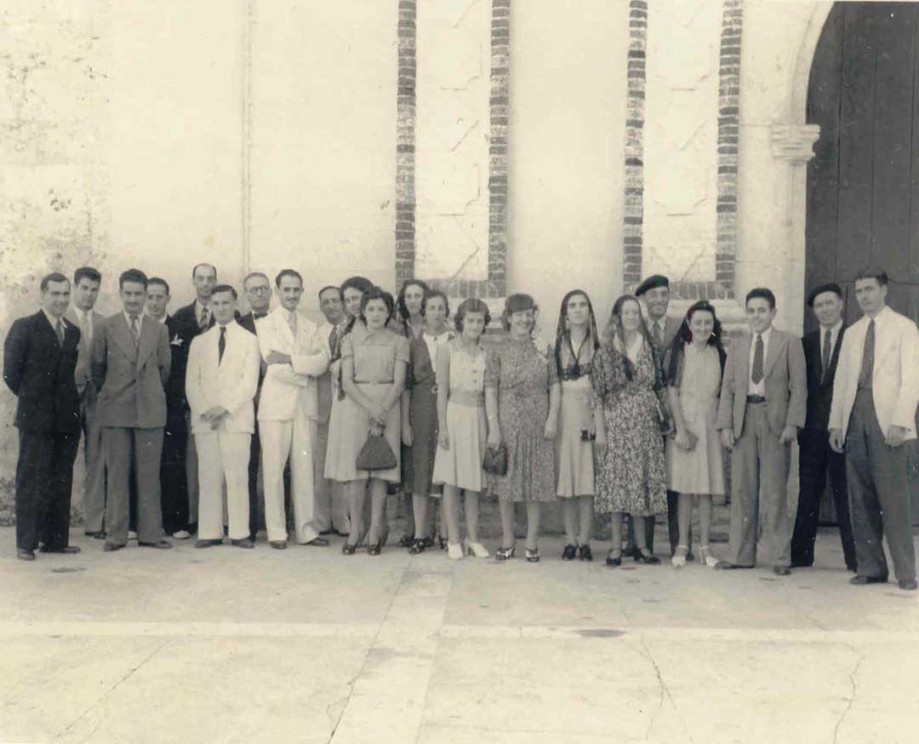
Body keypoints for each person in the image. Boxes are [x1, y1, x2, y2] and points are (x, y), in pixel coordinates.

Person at [829, 267, 919, 591]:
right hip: (856, 416)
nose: (864, 296)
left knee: (895, 498)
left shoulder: (904, 329)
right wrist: (836, 423)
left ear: (884, 291)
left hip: (889, 420)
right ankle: (870, 567)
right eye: (859, 291)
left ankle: (906, 572)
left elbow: (912, 380)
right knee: (860, 495)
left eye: (869, 289)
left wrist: (900, 421)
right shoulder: (852, 333)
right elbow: (841, 382)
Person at [716, 288, 806, 575]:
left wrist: (793, 423)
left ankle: (780, 557)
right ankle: (741, 554)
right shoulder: (738, 346)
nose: (756, 316)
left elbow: (799, 387)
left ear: (773, 313)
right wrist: (726, 425)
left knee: (775, 491)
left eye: (762, 310)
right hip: (744, 419)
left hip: (775, 421)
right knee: (742, 489)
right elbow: (728, 389)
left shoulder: (789, 343)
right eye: (751, 310)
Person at [3, 273, 82, 560]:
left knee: (61, 477)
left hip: (66, 419)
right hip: (36, 418)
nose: (61, 299)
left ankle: (55, 540)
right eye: (55, 294)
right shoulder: (25, 327)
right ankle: (26, 542)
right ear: (42, 295)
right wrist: (34, 401)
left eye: (65, 294)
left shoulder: (72, 331)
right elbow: (11, 374)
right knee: (32, 477)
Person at [92, 269, 172, 552]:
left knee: (149, 475)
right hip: (116, 410)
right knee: (117, 474)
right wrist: (115, 393)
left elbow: (164, 369)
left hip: (150, 410)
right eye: (129, 293)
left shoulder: (159, 329)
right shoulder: (105, 327)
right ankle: (116, 535)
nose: (134, 299)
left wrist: (148, 394)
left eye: (140, 294)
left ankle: (151, 534)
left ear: (146, 295)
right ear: (120, 294)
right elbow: (97, 368)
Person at [327, 287, 408, 555]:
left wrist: (382, 410)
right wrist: (372, 410)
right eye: (371, 309)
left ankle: (375, 530)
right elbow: (348, 382)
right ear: (363, 311)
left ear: (389, 313)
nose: (376, 314)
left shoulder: (398, 341)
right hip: (357, 405)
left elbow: (398, 382)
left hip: (388, 404)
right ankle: (355, 529)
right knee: (358, 472)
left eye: (381, 309)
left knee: (380, 472)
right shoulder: (350, 340)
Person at [256, 269, 330, 549]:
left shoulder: (311, 325)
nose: (291, 295)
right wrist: (305, 369)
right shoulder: (266, 324)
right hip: (275, 406)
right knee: (273, 469)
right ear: (277, 291)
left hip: (304, 406)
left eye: (296, 290)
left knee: (304, 468)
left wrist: (290, 359)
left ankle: (306, 529)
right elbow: (273, 368)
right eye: (286, 289)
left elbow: (322, 361)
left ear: (302, 291)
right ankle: (276, 531)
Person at [592, 295, 668, 567]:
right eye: (627, 312)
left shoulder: (651, 348)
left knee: (641, 483)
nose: (632, 317)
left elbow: (659, 385)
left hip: (645, 427)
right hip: (617, 425)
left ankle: (642, 547)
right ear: (618, 316)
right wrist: (600, 430)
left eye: (636, 312)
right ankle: (614, 546)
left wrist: (664, 416)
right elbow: (597, 393)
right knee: (616, 485)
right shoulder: (605, 351)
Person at [485, 294, 559, 563]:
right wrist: (494, 427)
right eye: (519, 315)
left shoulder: (543, 347)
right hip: (507, 422)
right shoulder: (498, 348)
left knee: (534, 482)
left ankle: (531, 541)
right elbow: (490, 388)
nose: (524, 320)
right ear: (509, 317)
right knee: (507, 482)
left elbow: (555, 385)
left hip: (537, 423)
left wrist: (552, 418)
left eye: (529, 314)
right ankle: (507, 539)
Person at [186, 285, 261, 549]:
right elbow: (191, 384)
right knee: (208, 476)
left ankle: (240, 532)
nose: (220, 308)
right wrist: (206, 410)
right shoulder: (199, 342)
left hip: (236, 419)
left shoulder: (249, 340)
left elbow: (248, 383)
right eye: (216, 303)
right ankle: (210, 531)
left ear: (234, 303)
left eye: (225, 303)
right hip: (206, 421)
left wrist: (224, 408)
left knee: (237, 476)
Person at [791, 283, 856, 572]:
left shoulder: (855, 339)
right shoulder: (806, 342)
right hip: (813, 432)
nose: (825, 309)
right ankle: (801, 556)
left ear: (841, 304)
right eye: (819, 305)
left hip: (844, 430)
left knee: (846, 495)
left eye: (830, 303)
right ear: (813, 311)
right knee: (808, 493)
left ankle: (855, 559)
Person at [663, 300, 727, 568]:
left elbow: (725, 393)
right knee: (686, 488)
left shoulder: (719, 353)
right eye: (697, 322)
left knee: (707, 488)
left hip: (710, 426)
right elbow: (672, 392)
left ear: (713, 326)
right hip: (686, 426)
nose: (702, 327)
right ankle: (682, 544)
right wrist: (680, 429)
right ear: (689, 324)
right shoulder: (680, 351)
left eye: (707, 323)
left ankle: (705, 546)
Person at [162, 262, 219, 539]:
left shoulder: (227, 315)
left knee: (213, 462)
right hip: (184, 402)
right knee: (181, 461)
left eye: (210, 279)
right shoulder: (180, 318)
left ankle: (215, 520)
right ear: (193, 281)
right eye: (201, 278)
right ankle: (183, 520)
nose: (205, 284)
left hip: (218, 403)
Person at [433, 298, 492, 560]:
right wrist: (442, 427)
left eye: (480, 321)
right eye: (470, 320)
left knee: (473, 482)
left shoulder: (486, 353)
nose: (475, 325)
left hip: (478, 416)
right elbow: (442, 391)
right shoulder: (446, 349)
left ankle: (473, 538)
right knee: (451, 480)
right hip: (454, 415)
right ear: (461, 322)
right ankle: (454, 539)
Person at [634, 273, 683, 558]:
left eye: (664, 294)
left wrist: (715, 334)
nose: (659, 300)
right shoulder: (633, 325)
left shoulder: (681, 325)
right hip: (643, 412)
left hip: (675, 408)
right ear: (643, 300)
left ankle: (680, 543)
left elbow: (714, 331)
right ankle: (642, 544)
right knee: (643, 476)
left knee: (676, 476)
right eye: (653, 295)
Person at [552, 290, 603, 562]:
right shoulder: (557, 344)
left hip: (588, 414)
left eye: (583, 304)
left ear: (590, 312)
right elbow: (553, 385)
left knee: (586, 480)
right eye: (572, 305)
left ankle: (585, 540)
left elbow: (602, 387)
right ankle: (569, 539)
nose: (578, 310)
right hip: (564, 416)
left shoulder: (599, 345)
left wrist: (597, 419)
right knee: (567, 479)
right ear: (565, 314)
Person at [402, 290, 452, 554]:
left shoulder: (455, 341)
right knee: (420, 470)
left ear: (447, 311)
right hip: (420, 410)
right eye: (431, 308)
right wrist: (405, 425)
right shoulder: (414, 344)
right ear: (424, 311)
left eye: (440, 307)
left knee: (446, 471)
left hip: (448, 411)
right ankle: (421, 533)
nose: (436, 312)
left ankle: (446, 532)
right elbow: (407, 386)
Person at [66, 267, 106, 539]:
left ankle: (95, 523)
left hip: (97, 399)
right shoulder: (61, 317)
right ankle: (55, 524)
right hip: (67, 398)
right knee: (62, 460)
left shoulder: (104, 322)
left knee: (98, 460)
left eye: (94, 289)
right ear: (75, 287)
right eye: (84, 288)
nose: (89, 294)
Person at [393, 279, 431, 548]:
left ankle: (431, 528)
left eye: (418, 295)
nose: (414, 300)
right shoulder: (397, 329)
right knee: (408, 467)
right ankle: (410, 526)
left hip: (426, 401)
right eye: (409, 296)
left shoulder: (435, 327)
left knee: (428, 465)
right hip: (400, 399)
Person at [237, 271, 274, 542]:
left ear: (271, 292)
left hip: (276, 402)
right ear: (246, 295)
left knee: (277, 466)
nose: (259, 293)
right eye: (253, 290)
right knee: (247, 465)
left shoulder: (281, 322)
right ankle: (247, 528)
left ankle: (279, 527)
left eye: (263, 289)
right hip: (247, 406)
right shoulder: (237, 325)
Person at [314, 284, 350, 537]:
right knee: (321, 464)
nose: (331, 306)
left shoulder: (354, 330)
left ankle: (342, 518)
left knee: (343, 463)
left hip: (347, 403)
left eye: (335, 301)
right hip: (323, 404)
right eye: (325, 302)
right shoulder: (316, 333)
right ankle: (321, 520)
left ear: (343, 303)